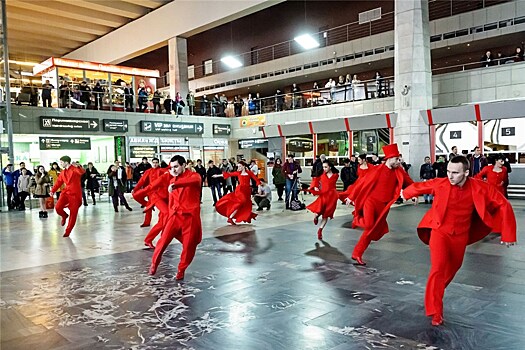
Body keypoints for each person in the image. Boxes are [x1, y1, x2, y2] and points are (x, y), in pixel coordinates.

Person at [401, 156, 516, 326]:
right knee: (438, 268)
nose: (450, 175)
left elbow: (503, 204)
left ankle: (435, 293)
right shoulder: (441, 184)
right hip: (439, 232)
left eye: (455, 172)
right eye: (448, 171)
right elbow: (421, 186)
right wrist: (406, 193)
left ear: (466, 172)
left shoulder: (479, 187)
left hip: (461, 236)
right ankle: (436, 311)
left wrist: (508, 234)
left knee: (452, 269)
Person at [343, 144, 414, 265]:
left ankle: (357, 253)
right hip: (371, 202)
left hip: (384, 206)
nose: (399, 161)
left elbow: (410, 183)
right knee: (370, 225)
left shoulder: (399, 171)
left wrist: (414, 194)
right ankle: (357, 221)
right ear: (389, 158)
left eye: (399, 158)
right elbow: (361, 183)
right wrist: (351, 196)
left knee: (371, 231)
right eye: (397, 159)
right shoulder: (377, 170)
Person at [149, 155, 202, 279]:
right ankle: (154, 264)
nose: (174, 170)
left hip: (189, 218)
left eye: (176, 167)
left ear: (184, 165)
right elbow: (172, 201)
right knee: (162, 241)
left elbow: (191, 182)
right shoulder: (173, 180)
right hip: (175, 216)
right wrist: (169, 214)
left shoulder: (194, 176)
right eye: (172, 167)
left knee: (188, 246)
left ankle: (181, 270)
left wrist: (175, 184)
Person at [213, 161, 260, 225]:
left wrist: (259, 187)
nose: (239, 167)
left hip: (247, 191)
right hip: (240, 190)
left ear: (244, 166)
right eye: (238, 166)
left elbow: (256, 179)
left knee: (242, 205)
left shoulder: (249, 173)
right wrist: (217, 175)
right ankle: (230, 217)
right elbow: (229, 174)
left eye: (240, 166)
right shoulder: (238, 173)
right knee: (241, 202)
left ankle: (230, 218)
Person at [49, 156, 85, 237]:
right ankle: (64, 215)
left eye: (61, 162)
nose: (60, 164)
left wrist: (78, 166)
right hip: (65, 193)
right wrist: (52, 191)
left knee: (73, 214)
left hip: (75, 194)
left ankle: (68, 231)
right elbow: (58, 182)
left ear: (66, 162)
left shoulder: (74, 169)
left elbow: (81, 172)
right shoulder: (62, 172)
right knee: (58, 207)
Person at [307, 160, 339, 240]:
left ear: (330, 167)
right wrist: (315, 187)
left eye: (326, 167)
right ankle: (316, 216)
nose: (324, 168)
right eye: (323, 167)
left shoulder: (336, 175)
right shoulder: (321, 174)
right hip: (323, 196)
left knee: (326, 215)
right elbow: (315, 180)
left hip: (332, 197)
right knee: (318, 211)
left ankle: (320, 230)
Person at [132, 158, 166, 227]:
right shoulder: (148, 171)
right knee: (147, 206)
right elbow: (142, 181)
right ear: (152, 163)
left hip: (160, 192)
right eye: (154, 162)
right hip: (151, 192)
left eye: (156, 162)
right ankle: (147, 222)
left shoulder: (162, 170)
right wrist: (135, 189)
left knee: (163, 208)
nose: (155, 164)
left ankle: (164, 221)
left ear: (158, 163)